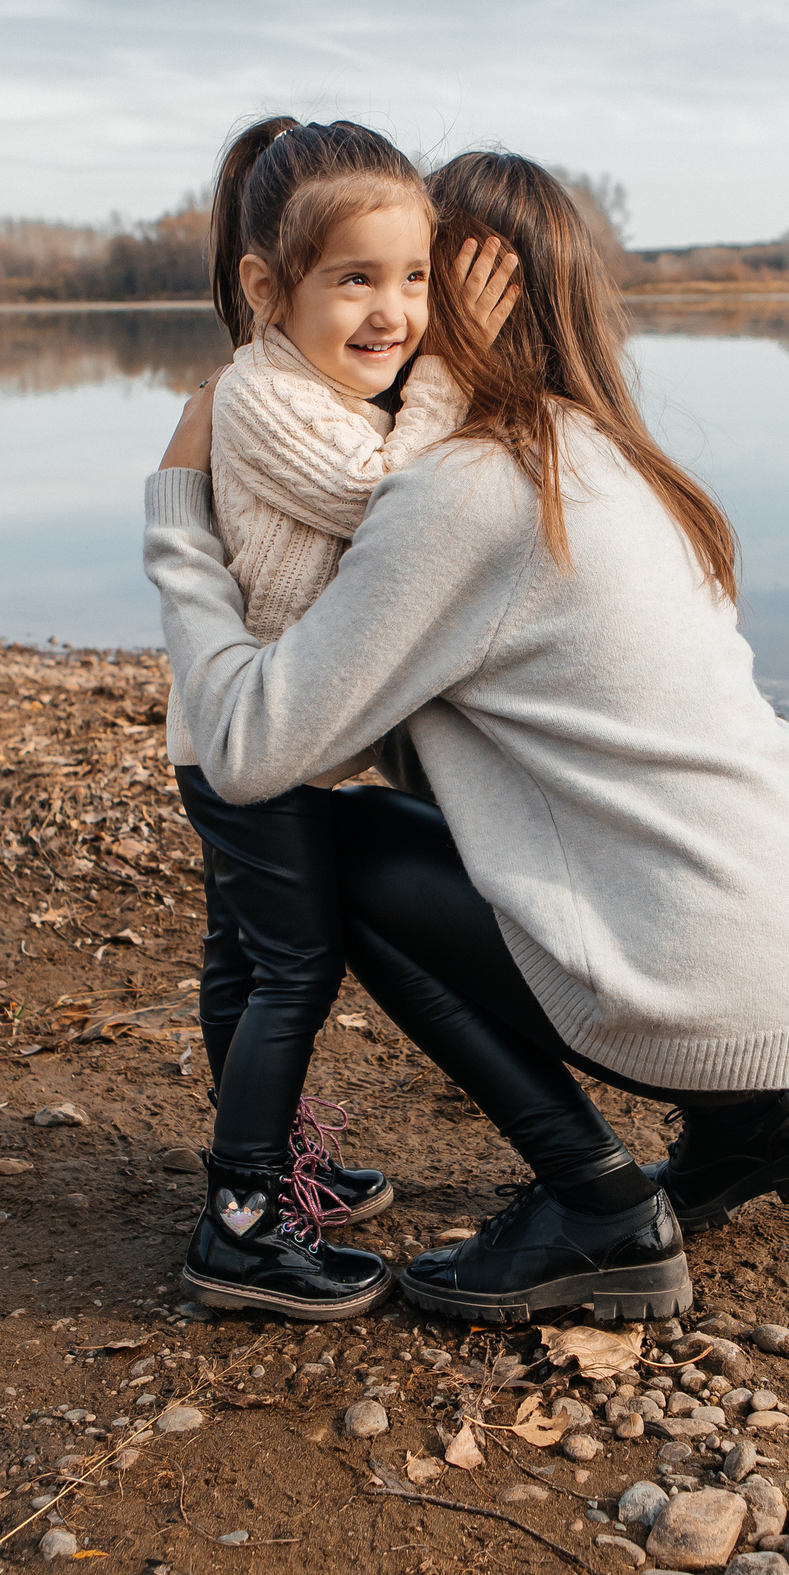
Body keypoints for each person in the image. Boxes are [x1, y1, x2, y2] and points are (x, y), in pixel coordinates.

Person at [147, 148, 789, 1323]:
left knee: (349, 853)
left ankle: (593, 1201)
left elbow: (248, 750)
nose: (398, 313)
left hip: (699, 987)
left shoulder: (467, 492)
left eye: (427, 276)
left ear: (474, 297)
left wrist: (178, 519)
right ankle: (755, 1128)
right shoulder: (611, 455)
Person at [171, 116, 518, 1321]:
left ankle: (274, 1172)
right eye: (355, 281)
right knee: (294, 974)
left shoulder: (323, 387)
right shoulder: (262, 395)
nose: (394, 314)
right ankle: (244, 1218)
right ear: (270, 289)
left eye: (418, 282)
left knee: (246, 965)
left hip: (262, 739)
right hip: (256, 747)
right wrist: (459, 369)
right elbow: (394, 508)